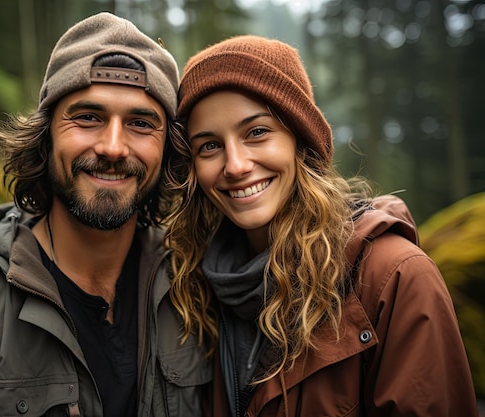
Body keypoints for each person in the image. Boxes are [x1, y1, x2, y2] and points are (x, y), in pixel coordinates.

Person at [0, 12, 211, 417]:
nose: (114, 147)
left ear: (167, 149)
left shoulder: (196, 294)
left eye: (140, 123)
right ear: (45, 136)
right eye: (88, 117)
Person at [164, 35, 478, 416]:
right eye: (209, 146)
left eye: (257, 132)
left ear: (301, 141)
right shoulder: (192, 285)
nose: (235, 165)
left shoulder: (393, 277)